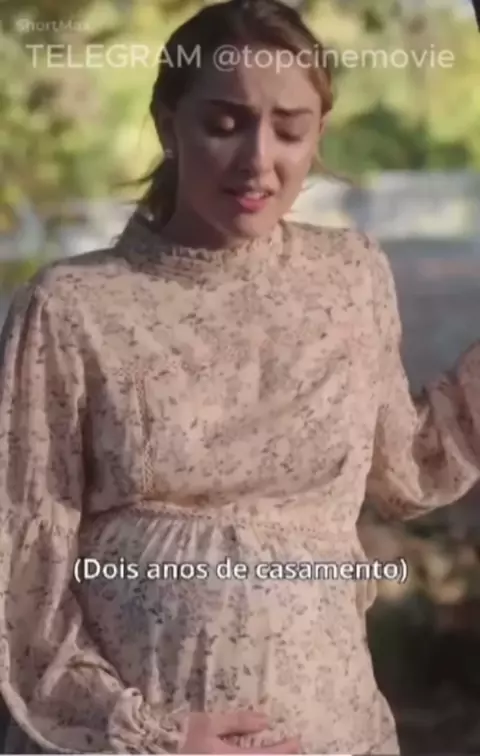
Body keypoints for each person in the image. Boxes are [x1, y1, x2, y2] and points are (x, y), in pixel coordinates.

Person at [1, 0, 480, 753]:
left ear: (319, 133)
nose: (258, 160)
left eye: (289, 128)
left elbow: (405, 470)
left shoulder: (350, 276)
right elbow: (22, 569)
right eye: (225, 124)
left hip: (333, 729)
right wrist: (150, 735)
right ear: (168, 126)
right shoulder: (71, 308)